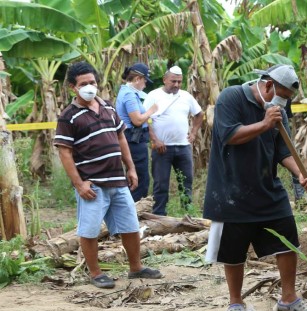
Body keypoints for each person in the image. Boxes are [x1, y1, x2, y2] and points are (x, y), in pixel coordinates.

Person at [203, 64, 307, 311]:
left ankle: (288, 298)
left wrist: (300, 172)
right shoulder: (231, 97)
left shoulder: (278, 112)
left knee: (288, 239)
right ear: (268, 86)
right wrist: (265, 123)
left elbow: (283, 150)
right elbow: (229, 135)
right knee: (233, 249)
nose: (285, 103)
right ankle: (235, 302)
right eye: (284, 96)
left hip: (267, 186)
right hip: (230, 188)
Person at [54, 62, 162, 289]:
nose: (90, 87)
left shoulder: (109, 108)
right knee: (90, 229)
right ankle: (95, 273)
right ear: (73, 87)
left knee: (130, 226)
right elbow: (65, 152)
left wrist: (130, 168)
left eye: (92, 82)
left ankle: (136, 267)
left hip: (117, 179)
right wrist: (79, 184)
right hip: (92, 184)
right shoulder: (68, 116)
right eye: (84, 84)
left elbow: (121, 138)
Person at [143, 66, 204, 215]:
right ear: (164, 80)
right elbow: (146, 119)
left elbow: (199, 114)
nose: (176, 85)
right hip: (162, 148)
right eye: (173, 81)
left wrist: (194, 132)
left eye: (179, 82)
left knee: (186, 183)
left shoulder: (185, 96)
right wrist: (155, 140)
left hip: (183, 147)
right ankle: (159, 216)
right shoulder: (153, 95)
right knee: (161, 184)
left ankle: (187, 214)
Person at [115, 62, 158, 202]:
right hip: (134, 140)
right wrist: (152, 110)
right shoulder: (129, 95)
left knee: (138, 176)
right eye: (145, 81)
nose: (145, 84)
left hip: (134, 139)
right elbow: (137, 120)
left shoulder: (128, 93)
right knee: (140, 178)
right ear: (137, 79)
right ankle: (135, 211)